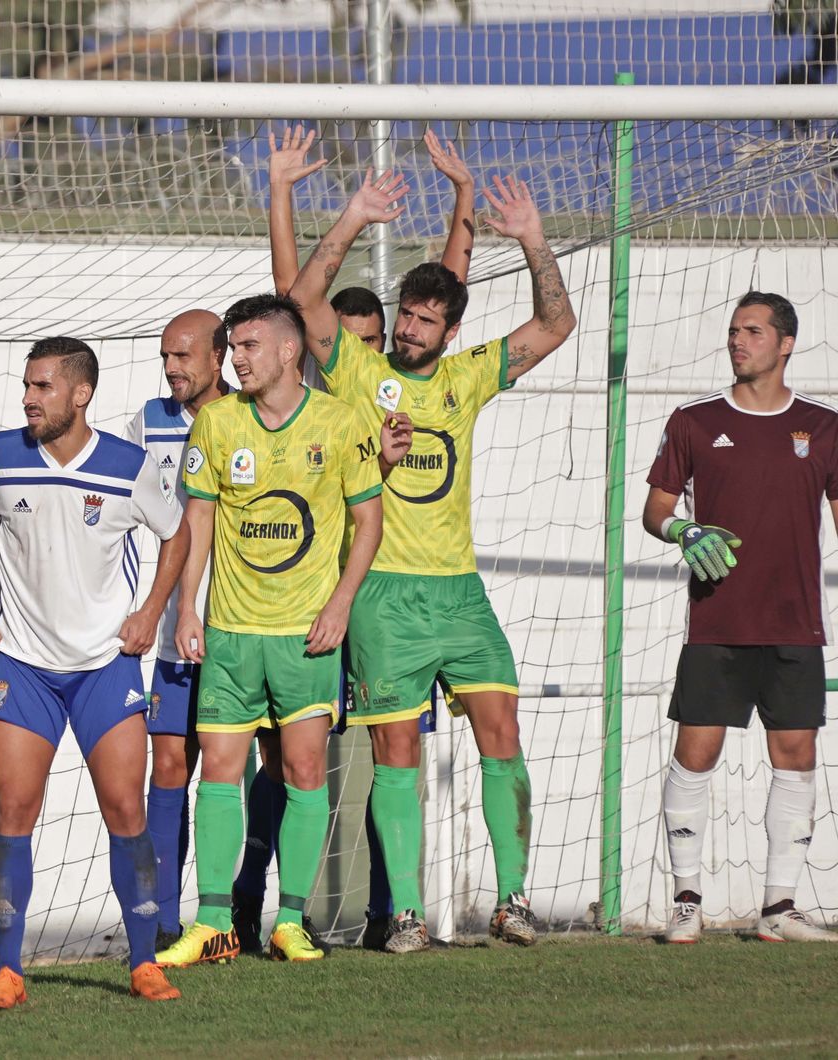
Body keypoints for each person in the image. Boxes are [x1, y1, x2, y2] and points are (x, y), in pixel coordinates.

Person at [289, 163, 577, 952]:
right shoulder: (357, 371)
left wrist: (533, 241)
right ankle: (406, 913)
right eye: (405, 317)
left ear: (450, 332)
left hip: (459, 594)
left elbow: (555, 325)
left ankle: (514, 900)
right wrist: (352, 216)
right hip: (384, 595)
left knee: (502, 729)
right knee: (395, 748)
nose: (411, 331)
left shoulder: (467, 377)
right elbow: (304, 300)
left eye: (425, 322)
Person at [267, 124, 477, 950]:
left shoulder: (394, 378)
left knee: (387, 759)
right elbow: (291, 288)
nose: (359, 349)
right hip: (322, 591)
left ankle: (397, 911)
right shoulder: (329, 389)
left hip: (390, 602)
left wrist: (464, 202)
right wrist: (285, 192)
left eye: (372, 337)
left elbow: (446, 293)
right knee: (287, 766)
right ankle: (275, 914)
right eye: (341, 341)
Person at [0, 336, 190, 1007]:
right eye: (27, 387)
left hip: (104, 667)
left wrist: (151, 612)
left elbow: (176, 532)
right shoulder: (1, 455)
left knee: (125, 809)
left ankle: (144, 963)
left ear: (80, 394)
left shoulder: (127, 465)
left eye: (42, 388)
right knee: (13, 811)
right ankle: (8, 971)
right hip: (23, 664)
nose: (28, 399)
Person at [155, 294, 383, 969]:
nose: (238, 359)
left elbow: (367, 522)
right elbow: (197, 520)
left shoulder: (341, 424)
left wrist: (342, 602)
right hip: (230, 633)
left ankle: (291, 920)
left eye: (250, 346)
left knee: (305, 771)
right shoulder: (218, 425)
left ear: (289, 351)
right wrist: (187, 609)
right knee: (219, 773)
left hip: (305, 634)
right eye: (234, 346)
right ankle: (213, 923)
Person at [642, 291, 838, 944]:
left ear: (786, 344)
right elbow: (655, 509)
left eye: (753, 331)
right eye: (733, 330)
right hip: (716, 626)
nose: (738, 340)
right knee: (694, 755)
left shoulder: (824, 427)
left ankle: (778, 909)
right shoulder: (694, 422)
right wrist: (683, 530)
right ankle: (687, 902)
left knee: (797, 758)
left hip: (795, 626)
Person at [124, 309, 232, 951]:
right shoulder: (149, 423)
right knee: (169, 763)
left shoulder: (251, 417)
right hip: (173, 631)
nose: (171, 368)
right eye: (165, 356)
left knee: (250, 767)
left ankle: (238, 908)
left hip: (249, 628)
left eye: (184, 356)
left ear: (218, 357)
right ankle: (163, 918)